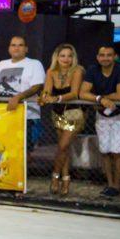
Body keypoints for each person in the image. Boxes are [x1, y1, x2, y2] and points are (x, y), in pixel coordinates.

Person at [79, 45, 120, 197]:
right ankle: (110, 185)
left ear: (114, 56)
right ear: (97, 57)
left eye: (109, 55)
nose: (105, 58)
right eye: (102, 55)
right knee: (105, 150)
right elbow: (82, 93)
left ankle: (116, 186)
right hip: (103, 113)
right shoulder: (92, 70)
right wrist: (100, 99)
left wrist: (98, 97)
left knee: (117, 151)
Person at [39, 44, 84, 195]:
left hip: (74, 113)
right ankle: (65, 178)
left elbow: (74, 94)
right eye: (62, 55)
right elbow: (46, 91)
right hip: (57, 114)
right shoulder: (51, 71)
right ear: (56, 57)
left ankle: (54, 177)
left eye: (69, 56)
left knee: (63, 146)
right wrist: (44, 97)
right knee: (63, 148)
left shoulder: (78, 71)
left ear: (73, 58)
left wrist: (56, 98)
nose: (66, 59)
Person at [0, 35, 46, 150]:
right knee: (3, 147)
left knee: (24, 151)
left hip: (26, 115)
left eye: (20, 45)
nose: (16, 48)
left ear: (26, 49)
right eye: (13, 45)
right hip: (3, 114)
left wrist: (17, 97)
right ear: (9, 48)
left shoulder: (35, 64)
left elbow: (37, 86)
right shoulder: (1, 64)